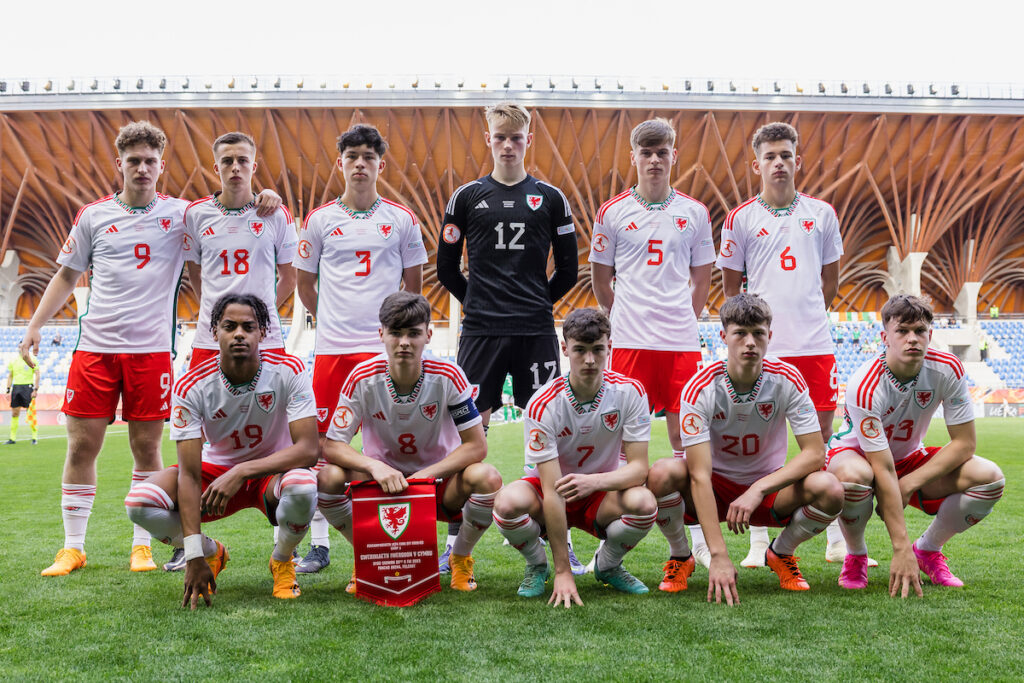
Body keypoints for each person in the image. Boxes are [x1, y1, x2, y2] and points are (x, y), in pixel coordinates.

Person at [22, 121, 282, 578]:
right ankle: (73, 547)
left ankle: (142, 548)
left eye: (150, 161)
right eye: (133, 161)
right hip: (96, 347)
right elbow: (66, 274)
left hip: (150, 351)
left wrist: (267, 196)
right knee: (82, 445)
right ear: (118, 164)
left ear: (162, 166)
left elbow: (230, 221)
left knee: (147, 447)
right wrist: (36, 325)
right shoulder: (93, 216)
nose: (142, 168)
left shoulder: (185, 215)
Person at [436, 101, 581, 573]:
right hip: (481, 330)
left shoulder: (551, 198)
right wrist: (477, 301)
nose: (508, 144)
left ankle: (555, 532)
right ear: (489, 140)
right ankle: (458, 540)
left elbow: (570, 268)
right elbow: (444, 267)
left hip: (535, 329)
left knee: (546, 428)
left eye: (516, 138)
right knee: (467, 429)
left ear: (528, 141)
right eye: (500, 137)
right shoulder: (466, 197)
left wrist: (538, 302)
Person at [125, 294, 319, 606]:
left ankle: (282, 559)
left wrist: (242, 472)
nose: (239, 333)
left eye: (248, 326)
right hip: (214, 476)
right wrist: (194, 555)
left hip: (270, 475)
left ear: (263, 332)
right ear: (214, 332)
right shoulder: (191, 385)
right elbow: (188, 474)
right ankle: (213, 551)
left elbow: (309, 450)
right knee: (139, 503)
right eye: (229, 326)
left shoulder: (289, 370)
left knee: (303, 486)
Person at [647, 294, 843, 602]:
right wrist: (718, 555)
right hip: (712, 487)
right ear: (724, 336)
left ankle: (781, 552)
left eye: (758, 333)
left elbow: (815, 453)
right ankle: (680, 556)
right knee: (661, 473)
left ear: (770, 337)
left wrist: (758, 489)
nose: (749, 342)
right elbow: (698, 474)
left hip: (767, 489)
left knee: (830, 488)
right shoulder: (700, 387)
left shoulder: (788, 380)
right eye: (740, 333)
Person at [294, 124, 427, 574]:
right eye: (352, 156)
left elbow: (414, 289)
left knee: (383, 445)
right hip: (333, 350)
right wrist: (330, 318)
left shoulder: (403, 219)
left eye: (369, 156)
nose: (360, 164)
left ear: (380, 165)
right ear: (340, 164)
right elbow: (305, 284)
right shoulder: (319, 220)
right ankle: (319, 544)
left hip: (385, 353)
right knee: (321, 448)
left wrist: (392, 332)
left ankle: (398, 537)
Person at [715, 121, 846, 567]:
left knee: (821, 440)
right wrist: (756, 334)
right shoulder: (740, 218)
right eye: (770, 156)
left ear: (797, 160)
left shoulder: (822, 214)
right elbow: (733, 293)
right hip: (765, 349)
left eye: (786, 155)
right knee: (759, 440)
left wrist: (805, 314)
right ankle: (756, 542)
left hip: (814, 344)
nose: (779, 163)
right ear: (757, 164)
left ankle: (832, 537)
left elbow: (829, 280)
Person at [589, 117, 714, 566]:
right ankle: (614, 541)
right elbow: (601, 277)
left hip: (680, 342)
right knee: (624, 448)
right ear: (634, 158)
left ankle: (694, 537)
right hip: (630, 342)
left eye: (663, 151)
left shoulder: (695, 213)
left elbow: (702, 274)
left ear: (674, 155)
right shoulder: (613, 211)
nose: (655, 159)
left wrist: (687, 313)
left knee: (686, 442)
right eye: (647, 152)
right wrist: (621, 314)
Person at [317, 292, 499, 593]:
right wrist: (374, 466)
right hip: (381, 485)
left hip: (439, 484)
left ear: (428, 335)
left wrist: (427, 475)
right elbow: (333, 445)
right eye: (396, 333)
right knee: (328, 477)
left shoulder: (449, 375)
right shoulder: (361, 377)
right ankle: (367, 556)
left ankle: (460, 557)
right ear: (381, 334)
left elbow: (477, 446)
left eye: (413, 333)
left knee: (487, 477)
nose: (404, 342)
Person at [826, 295, 1004, 595]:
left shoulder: (948, 368)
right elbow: (881, 467)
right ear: (885, 337)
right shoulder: (865, 383)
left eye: (920, 331)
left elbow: (964, 443)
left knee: (990, 478)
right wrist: (899, 548)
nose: (912, 339)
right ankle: (856, 555)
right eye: (902, 331)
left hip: (909, 459)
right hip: (858, 456)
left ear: (930, 335)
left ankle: (927, 550)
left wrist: (908, 483)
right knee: (854, 479)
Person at [493, 308, 657, 606]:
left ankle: (608, 566)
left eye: (597, 350)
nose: (590, 360)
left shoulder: (630, 392)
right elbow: (553, 490)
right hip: (550, 490)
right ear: (565, 348)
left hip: (601, 491)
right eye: (580, 350)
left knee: (644, 503)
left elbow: (638, 469)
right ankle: (538, 565)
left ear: (610, 347)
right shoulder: (543, 404)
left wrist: (593, 482)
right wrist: (562, 571)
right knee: (506, 503)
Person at [183, 131, 296, 369]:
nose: (235, 167)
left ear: (253, 166)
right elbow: (195, 271)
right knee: (204, 406)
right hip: (210, 338)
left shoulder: (276, 214)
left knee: (269, 405)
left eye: (242, 160)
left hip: (265, 338)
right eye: (227, 161)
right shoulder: (196, 214)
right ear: (216, 168)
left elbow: (290, 277)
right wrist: (218, 314)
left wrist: (259, 313)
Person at [5, 351, 40, 444]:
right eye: (20, 346)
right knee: (15, 413)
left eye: (23, 346)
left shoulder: (32, 359)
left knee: (31, 412)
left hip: (28, 387)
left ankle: (34, 437)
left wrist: (35, 389)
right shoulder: (14, 360)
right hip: (16, 387)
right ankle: (12, 438)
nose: (21, 348)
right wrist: (8, 389)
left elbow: (37, 374)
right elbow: (10, 376)